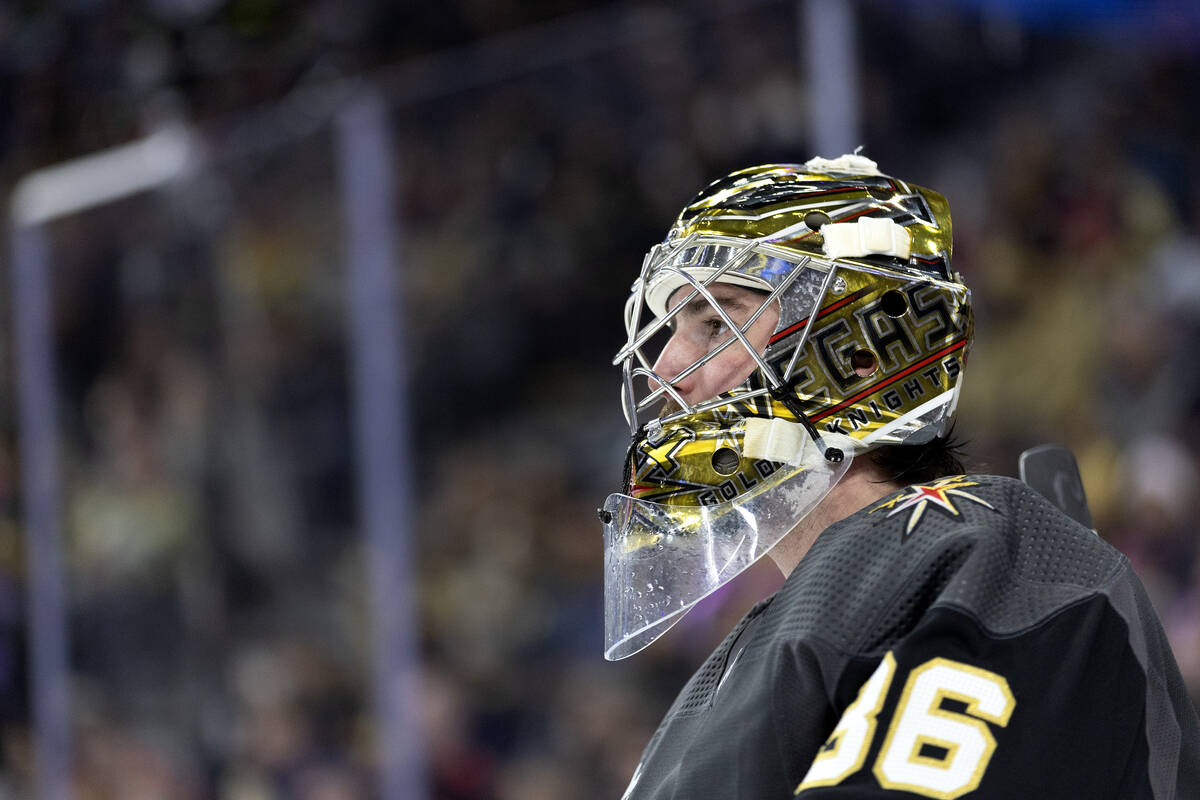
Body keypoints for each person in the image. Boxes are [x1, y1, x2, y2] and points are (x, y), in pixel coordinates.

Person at [599, 154, 1200, 798]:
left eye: (717, 322)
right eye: (673, 328)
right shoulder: (748, 650)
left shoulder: (979, 554)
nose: (666, 371)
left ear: (858, 357)